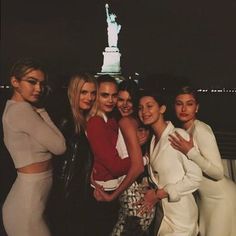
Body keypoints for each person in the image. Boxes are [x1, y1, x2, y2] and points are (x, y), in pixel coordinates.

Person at [2, 58, 66, 236]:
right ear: (15, 82)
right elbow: (60, 147)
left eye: (41, 83)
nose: (38, 88)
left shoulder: (19, 108)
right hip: (25, 209)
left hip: (29, 203)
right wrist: (43, 112)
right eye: (31, 82)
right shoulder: (21, 111)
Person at [169, 86, 236, 236]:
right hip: (206, 200)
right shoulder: (184, 131)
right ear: (174, 106)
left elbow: (218, 173)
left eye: (190, 104)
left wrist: (190, 152)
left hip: (221, 199)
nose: (184, 108)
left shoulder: (201, 130)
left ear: (197, 107)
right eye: (179, 103)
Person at [93, 79, 155, 236]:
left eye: (130, 100)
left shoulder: (127, 122)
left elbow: (137, 166)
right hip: (137, 197)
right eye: (120, 99)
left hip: (134, 200)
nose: (125, 105)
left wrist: (112, 196)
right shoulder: (131, 122)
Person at [138, 89, 202, 236]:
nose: (144, 111)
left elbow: (195, 177)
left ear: (162, 108)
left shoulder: (178, 135)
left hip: (181, 217)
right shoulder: (153, 140)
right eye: (140, 108)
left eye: (149, 106)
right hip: (163, 216)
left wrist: (159, 193)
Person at [47, 73, 98, 236]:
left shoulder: (84, 120)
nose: (89, 98)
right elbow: (57, 162)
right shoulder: (66, 121)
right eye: (84, 92)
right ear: (74, 92)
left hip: (78, 195)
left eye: (92, 93)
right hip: (65, 197)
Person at [86, 75, 132, 236]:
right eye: (105, 95)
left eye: (114, 96)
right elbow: (115, 167)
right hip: (104, 192)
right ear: (96, 96)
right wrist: (144, 159)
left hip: (111, 188)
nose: (110, 100)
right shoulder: (96, 123)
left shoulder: (110, 120)